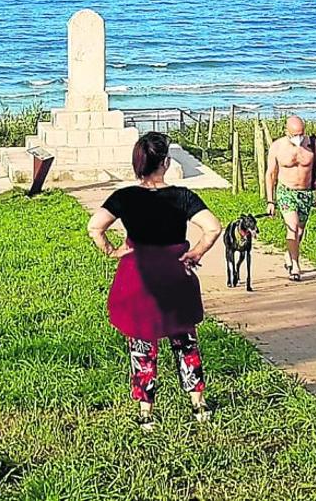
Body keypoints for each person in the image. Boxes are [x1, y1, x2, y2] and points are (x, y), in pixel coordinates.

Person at [87, 131, 223, 430]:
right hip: (175, 276)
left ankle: (146, 412)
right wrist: (195, 253)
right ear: (165, 162)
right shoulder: (183, 196)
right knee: (185, 341)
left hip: (139, 279)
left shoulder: (125, 196)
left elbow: (95, 226)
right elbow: (213, 228)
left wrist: (113, 250)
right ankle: (199, 406)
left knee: (142, 344)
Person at [265, 115, 316, 281]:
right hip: (286, 191)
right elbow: (270, 174)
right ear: (287, 132)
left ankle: (289, 253)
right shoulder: (277, 147)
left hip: (306, 193)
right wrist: (270, 201)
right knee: (292, 227)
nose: (298, 138)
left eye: (301, 133)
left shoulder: (312, 145)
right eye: (295, 134)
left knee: (300, 230)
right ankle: (295, 265)